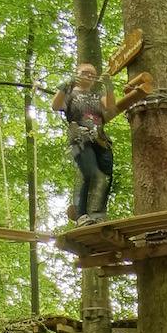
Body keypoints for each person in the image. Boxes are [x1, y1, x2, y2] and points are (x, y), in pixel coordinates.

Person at [51, 62, 117, 225]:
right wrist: (65, 85)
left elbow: (112, 108)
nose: (89, 76)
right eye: (85, 72)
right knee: (90, 174)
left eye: (92, 73)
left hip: (100, 139)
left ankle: (98, 214)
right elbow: (55, 105)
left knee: (106, 176)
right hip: (80, 140)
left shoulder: (96, 97)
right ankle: (81, 215)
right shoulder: (70, 94)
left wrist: (109, 87)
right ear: (77, 74)